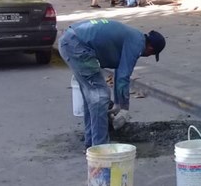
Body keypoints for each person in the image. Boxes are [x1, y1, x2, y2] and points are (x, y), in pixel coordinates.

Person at [58, 19, 166, 150]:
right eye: (151, 54)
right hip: (77, 46)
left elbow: (119, 73)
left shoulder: (134, 36)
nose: (147, 56)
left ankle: (91, 141)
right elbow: (123, 77)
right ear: (150, 48)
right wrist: (124, 109)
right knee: (100, 96)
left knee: (91, 97)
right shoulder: (137, 44)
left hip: (71, 40)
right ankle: (100, 148)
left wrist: (117, 104)